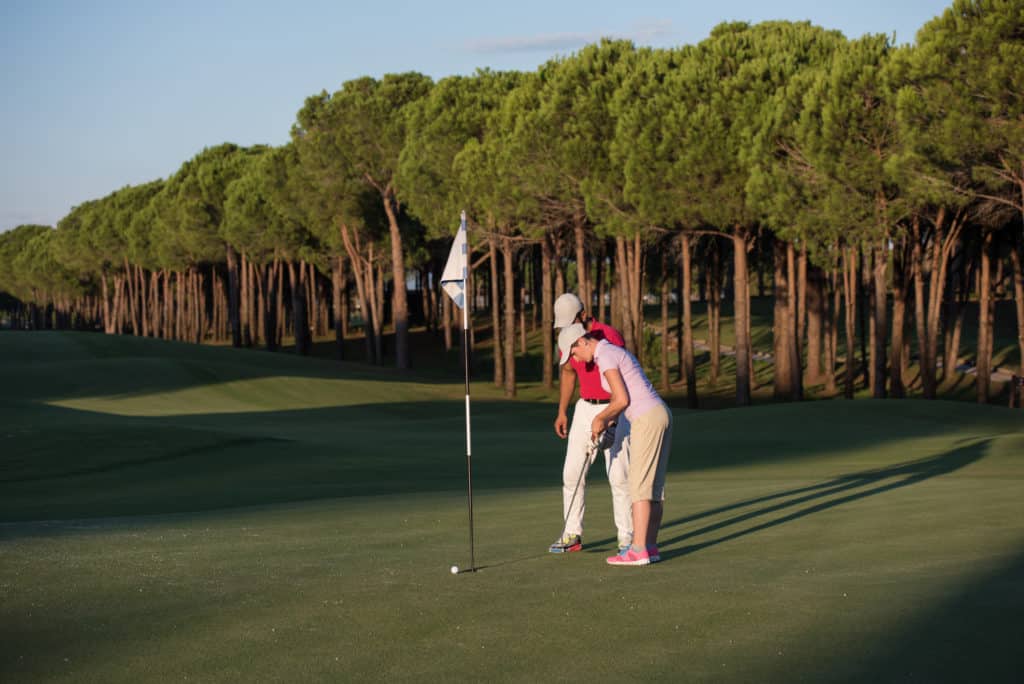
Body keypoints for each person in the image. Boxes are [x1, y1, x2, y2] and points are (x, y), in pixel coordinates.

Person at [557, 322, 672, 566]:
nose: (575, 359)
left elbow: (621, 399)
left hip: (646, 419)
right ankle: (650, 546)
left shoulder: (606, 356)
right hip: (659, 414)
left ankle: (637, 549)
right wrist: (609, 426)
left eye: (574, 353)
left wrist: (599, 419)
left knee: (639, 486)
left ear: (581, 342)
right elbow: (624, 400)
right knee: (653, 488)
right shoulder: (611, 352)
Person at [550, 293, 632, 554]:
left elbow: (625, 376)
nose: (565, 328)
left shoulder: (608, 336)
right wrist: (562, 411)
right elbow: (568, 373)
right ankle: (572, 533)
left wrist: (614, 417)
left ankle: (627, 537)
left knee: (619, 475)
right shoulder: (566, 340)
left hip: (615, 407)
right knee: (571, 472)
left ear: (583, 315)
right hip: (584, 408)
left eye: (569, 321)